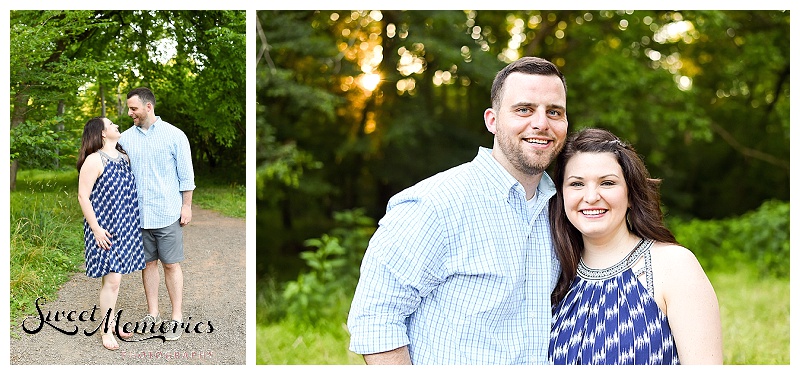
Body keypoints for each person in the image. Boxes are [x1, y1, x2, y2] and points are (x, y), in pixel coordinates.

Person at [347, 56, 568, 364]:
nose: (541, 123)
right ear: (492, 120)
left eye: (554, 112)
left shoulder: (564, 210)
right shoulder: (434, 205)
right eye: (524, 109)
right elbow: (376, 319)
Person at [548, 128, 723, 364]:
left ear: (630, 194)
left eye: (607, 183)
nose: (590, 197)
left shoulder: (674, 266)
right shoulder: (554, 276)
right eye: (577, 184)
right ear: (561, 195)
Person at [119, 87, 195, 341]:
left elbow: (186, 175)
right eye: (129, 108)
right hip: (139, 215)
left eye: (133, 108)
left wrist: (186, 206)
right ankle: (153, 314)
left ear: (148, 107)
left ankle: (176, 318)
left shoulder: (175, 135)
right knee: (148, 264)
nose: (130, 113)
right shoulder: (125, 140)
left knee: (171, 264)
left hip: (167, 212)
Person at [77, 117, 145, 350]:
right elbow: (83, 196)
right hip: (103, 228)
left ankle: (112, 323)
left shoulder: (124, 158)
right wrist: (96, 229)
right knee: (113, 279)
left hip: (123, 226)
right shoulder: (94, 160)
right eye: (111, 124)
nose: (116, 125)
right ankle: (106, 331)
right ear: (102, 134)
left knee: (112, 279)